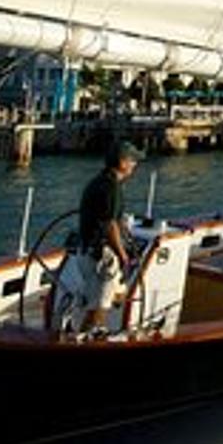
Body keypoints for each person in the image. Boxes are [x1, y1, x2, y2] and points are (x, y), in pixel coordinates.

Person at [73, 141, 140, 330]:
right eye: (133, 160)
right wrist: (123, 255)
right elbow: (110, 225)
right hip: (101, 256)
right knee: (98, 308)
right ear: (122, 162)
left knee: (115, 293)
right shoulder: (112, 187)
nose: (135, 165)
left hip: (85, 250)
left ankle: (105, 324)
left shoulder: (98, 181)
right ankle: (86, 342)